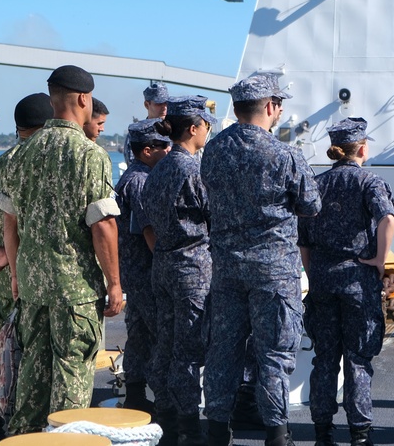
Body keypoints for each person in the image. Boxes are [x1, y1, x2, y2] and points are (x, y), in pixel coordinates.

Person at [0, 65, 122, 436]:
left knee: (32, 382)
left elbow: (10, 223)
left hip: (34, 288)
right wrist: (114, 282)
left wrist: (18, 277)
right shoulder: (90, 155)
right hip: (75, 292)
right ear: (84, 99)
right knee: (71, 380)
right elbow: (102, 224)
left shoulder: (21, 154)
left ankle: (20, 441)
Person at [201, 74, 321, 446]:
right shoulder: (283, 153)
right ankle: (276, 434)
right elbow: (312, 205)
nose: (280, 111)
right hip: (273, 272)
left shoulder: (214, 149)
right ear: (269, 108)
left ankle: (218, 431)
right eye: (279, 105)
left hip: (226, 269)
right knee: (274, 355)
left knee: (223, 350)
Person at [299, 118, 394, 446]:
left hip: (324, 280)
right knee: (357, 358)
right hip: (358, 280)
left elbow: (304, 241)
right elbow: (387, 218)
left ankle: (322, 432)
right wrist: (381, 260)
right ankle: (359, 433)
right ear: (362, 147)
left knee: (324, 358)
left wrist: (313, 275)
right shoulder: (369, 181)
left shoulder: (316, 183)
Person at [0, 92, 54, 446]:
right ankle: (27, 426)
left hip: (7, 275)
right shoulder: (40, 160)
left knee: (4, 345)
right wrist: (10, 253)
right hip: (35, 272)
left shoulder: (2, 162)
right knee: (36, 351)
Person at [139, 95, 216, 446]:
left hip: (164, 263)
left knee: (165, 345)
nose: (208, 131)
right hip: (192, 266)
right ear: (194, 128)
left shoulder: (159, 170)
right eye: (206, 125)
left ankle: (166, 417)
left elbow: (147, 223)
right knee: (187, 350)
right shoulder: (193, 170)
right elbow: (214, 216)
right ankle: (188, 425)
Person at [113, 118, 171, 416]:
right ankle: (165, 401)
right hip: (146, 272)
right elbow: (149, 230)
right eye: (163, 146)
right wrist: (166, 263)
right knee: (161, 335)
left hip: (135, 272)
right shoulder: (141, 182)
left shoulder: (135, 177)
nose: (168, 150)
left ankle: (135, 393)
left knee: (138, 334)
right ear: (147, 150)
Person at [124, 82, 169, 164]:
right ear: (147, 105)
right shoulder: (136, 134)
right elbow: (132, 164)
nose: (164, 108)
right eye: (159, 104)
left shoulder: (175, 131)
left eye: (166, 103)